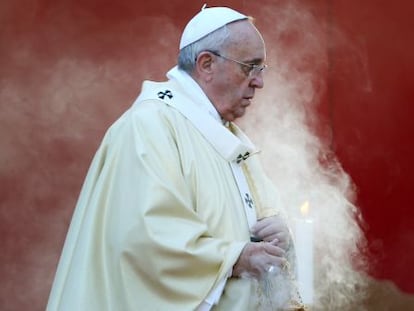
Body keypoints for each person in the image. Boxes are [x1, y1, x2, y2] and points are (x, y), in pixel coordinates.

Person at [47, 5, 305, 311]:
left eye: (262, 70)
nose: (259, 82)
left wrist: (281, 238)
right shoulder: (149, 127)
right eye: (249, 67)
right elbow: (145, 240)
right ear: (206, 64)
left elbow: (257, 223)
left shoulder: (227, 138)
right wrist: (236, 258)